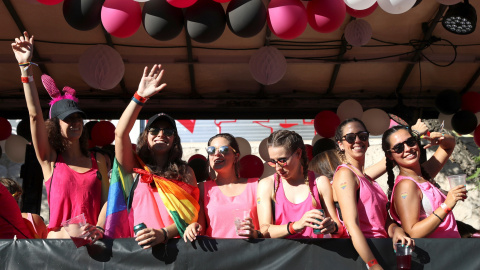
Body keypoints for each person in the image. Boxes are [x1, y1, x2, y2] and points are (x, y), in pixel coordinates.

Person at [11, 32, 109, 242]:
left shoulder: (98, 160)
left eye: (78, 118)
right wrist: (25, 67)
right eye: (68, 119)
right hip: (57, 250)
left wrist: (99, 228)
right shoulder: (50, 160)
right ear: (55, 125)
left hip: (95, 250)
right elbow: (35, 115)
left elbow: (108, 204)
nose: (74, 123)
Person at [114, 64, 199, 249]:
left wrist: (163, 234)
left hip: (177, 249)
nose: (161, 134)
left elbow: (190, 217)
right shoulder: (134, 167)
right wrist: (140, 96)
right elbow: (120, 133)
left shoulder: (185, 171)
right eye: (154, 130)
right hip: (138, 250)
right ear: (146, 135)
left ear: (174, 139)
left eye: (168, 131)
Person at [332, 118, 414, 270]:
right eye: (350, 138)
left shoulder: (368, 179)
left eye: (362, 136)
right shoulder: (345, 174)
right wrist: (373, 264)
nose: (357, 140)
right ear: (340, 144)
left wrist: (397, 230)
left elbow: (384, 221)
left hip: (383, 251)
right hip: (362, 257)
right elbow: (352, 226)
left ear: (368, 141)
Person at [382, 125, 466, 238]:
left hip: (450, 248)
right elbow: (412, 232)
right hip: (436, 253)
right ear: (389, 155)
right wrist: (447, 204)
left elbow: (448, 146)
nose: (407, 149)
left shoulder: (424, 174)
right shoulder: (406, 185)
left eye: (410, 142)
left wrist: (440, 136)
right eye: (398, 148)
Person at [257, 130, 337, 239]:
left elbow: (338, 227)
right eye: (273, 162)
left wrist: (332, 227)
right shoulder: (267, 184)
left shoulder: (319, 182)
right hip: (282, 254)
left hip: (315, 253)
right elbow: (264, 231)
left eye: (282, 160)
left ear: (298, 154)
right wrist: (295, 226)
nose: (278, 168)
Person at [184, 133, 260, 242]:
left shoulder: (256, 186)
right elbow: (201, 230)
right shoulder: (202, 189)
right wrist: (193, 227)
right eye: (211, 150)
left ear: (236, 156)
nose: (217, 154)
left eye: (224, 149)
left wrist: (256, 233)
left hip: (250, 253)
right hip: (217, 255)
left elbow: (267, 228)